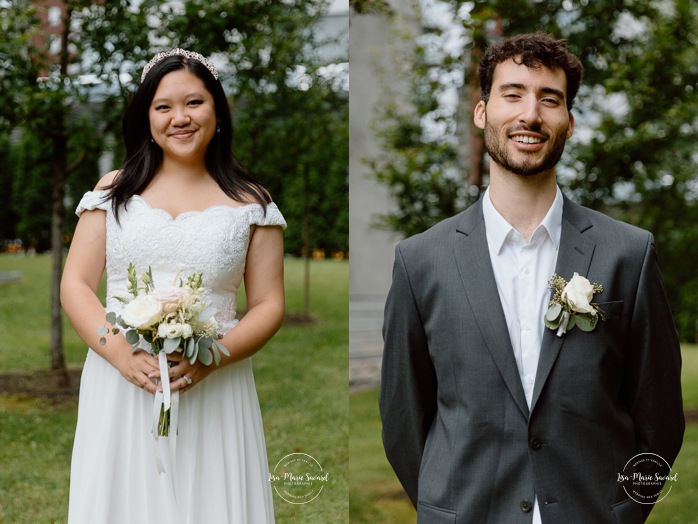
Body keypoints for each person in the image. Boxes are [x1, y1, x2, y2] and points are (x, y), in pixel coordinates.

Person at [379, 32, 684, 524]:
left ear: (569, 122)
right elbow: (402, 421)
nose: (530, 115)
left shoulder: (629, 253)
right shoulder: (421, 261)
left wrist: (625, 510)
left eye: (550, 99)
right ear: (482, 114)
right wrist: (447, 504)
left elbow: (661, 417)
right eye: (513, 94)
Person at [61, 49, 285, 523]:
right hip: (120, 383)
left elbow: (268, 304)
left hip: (214, 385)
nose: (179, 118)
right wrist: (119, 352)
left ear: (218, 111)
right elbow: (76, 285)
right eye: (163, 107)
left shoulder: (252, 202)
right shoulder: (113, 190)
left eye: (194, 103)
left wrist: (213, 357)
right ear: (146, 117)